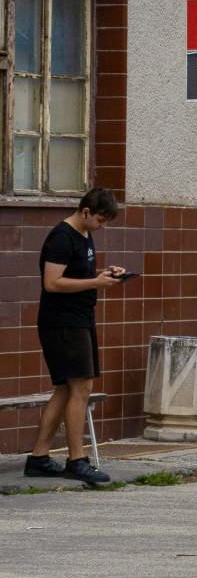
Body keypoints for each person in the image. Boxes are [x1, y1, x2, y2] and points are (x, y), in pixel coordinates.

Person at [23, 188, 124, 486]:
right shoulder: (61, 237)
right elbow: (52, 283)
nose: (102, 226)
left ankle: (39, 458)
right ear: (85, 212)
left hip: (80, 319)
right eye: (100, 220)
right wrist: (96, 282)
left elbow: (78, 274)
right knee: (81, 387)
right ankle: (76, 460)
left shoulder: (83, 235)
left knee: (66, 389)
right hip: (63, 323)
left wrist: (106, 273)